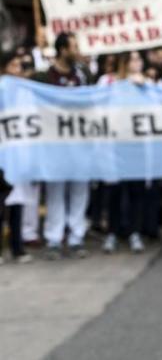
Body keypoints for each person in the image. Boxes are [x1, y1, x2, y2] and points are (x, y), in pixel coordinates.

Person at [41, 33, 90, 259]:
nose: (77, 50)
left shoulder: (82, 75)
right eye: (73, 46)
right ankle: (54, 238)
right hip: (54, 145)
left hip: (79, 143)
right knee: (55, 192)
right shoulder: (46, 77)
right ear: (62, 50)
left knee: (79, 190)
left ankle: (76, 237)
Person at [98, 52, 149, 254]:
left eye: (139, 59)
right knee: (115, 191)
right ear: (125, 62)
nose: (138, 63)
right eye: (134, 59)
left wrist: (142, 86)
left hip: (137, 144)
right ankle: (113, 232)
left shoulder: (145, 83)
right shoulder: (108, 81)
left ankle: (134, 232)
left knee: (136, 189)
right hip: (115, 143)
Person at [0, 51, 34, 264]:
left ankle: (17, 247)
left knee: (18, 202)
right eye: (13, 65)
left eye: (19, 66)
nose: (17, 70)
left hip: (18, 154)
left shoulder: (25, 92)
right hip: (2, 154)